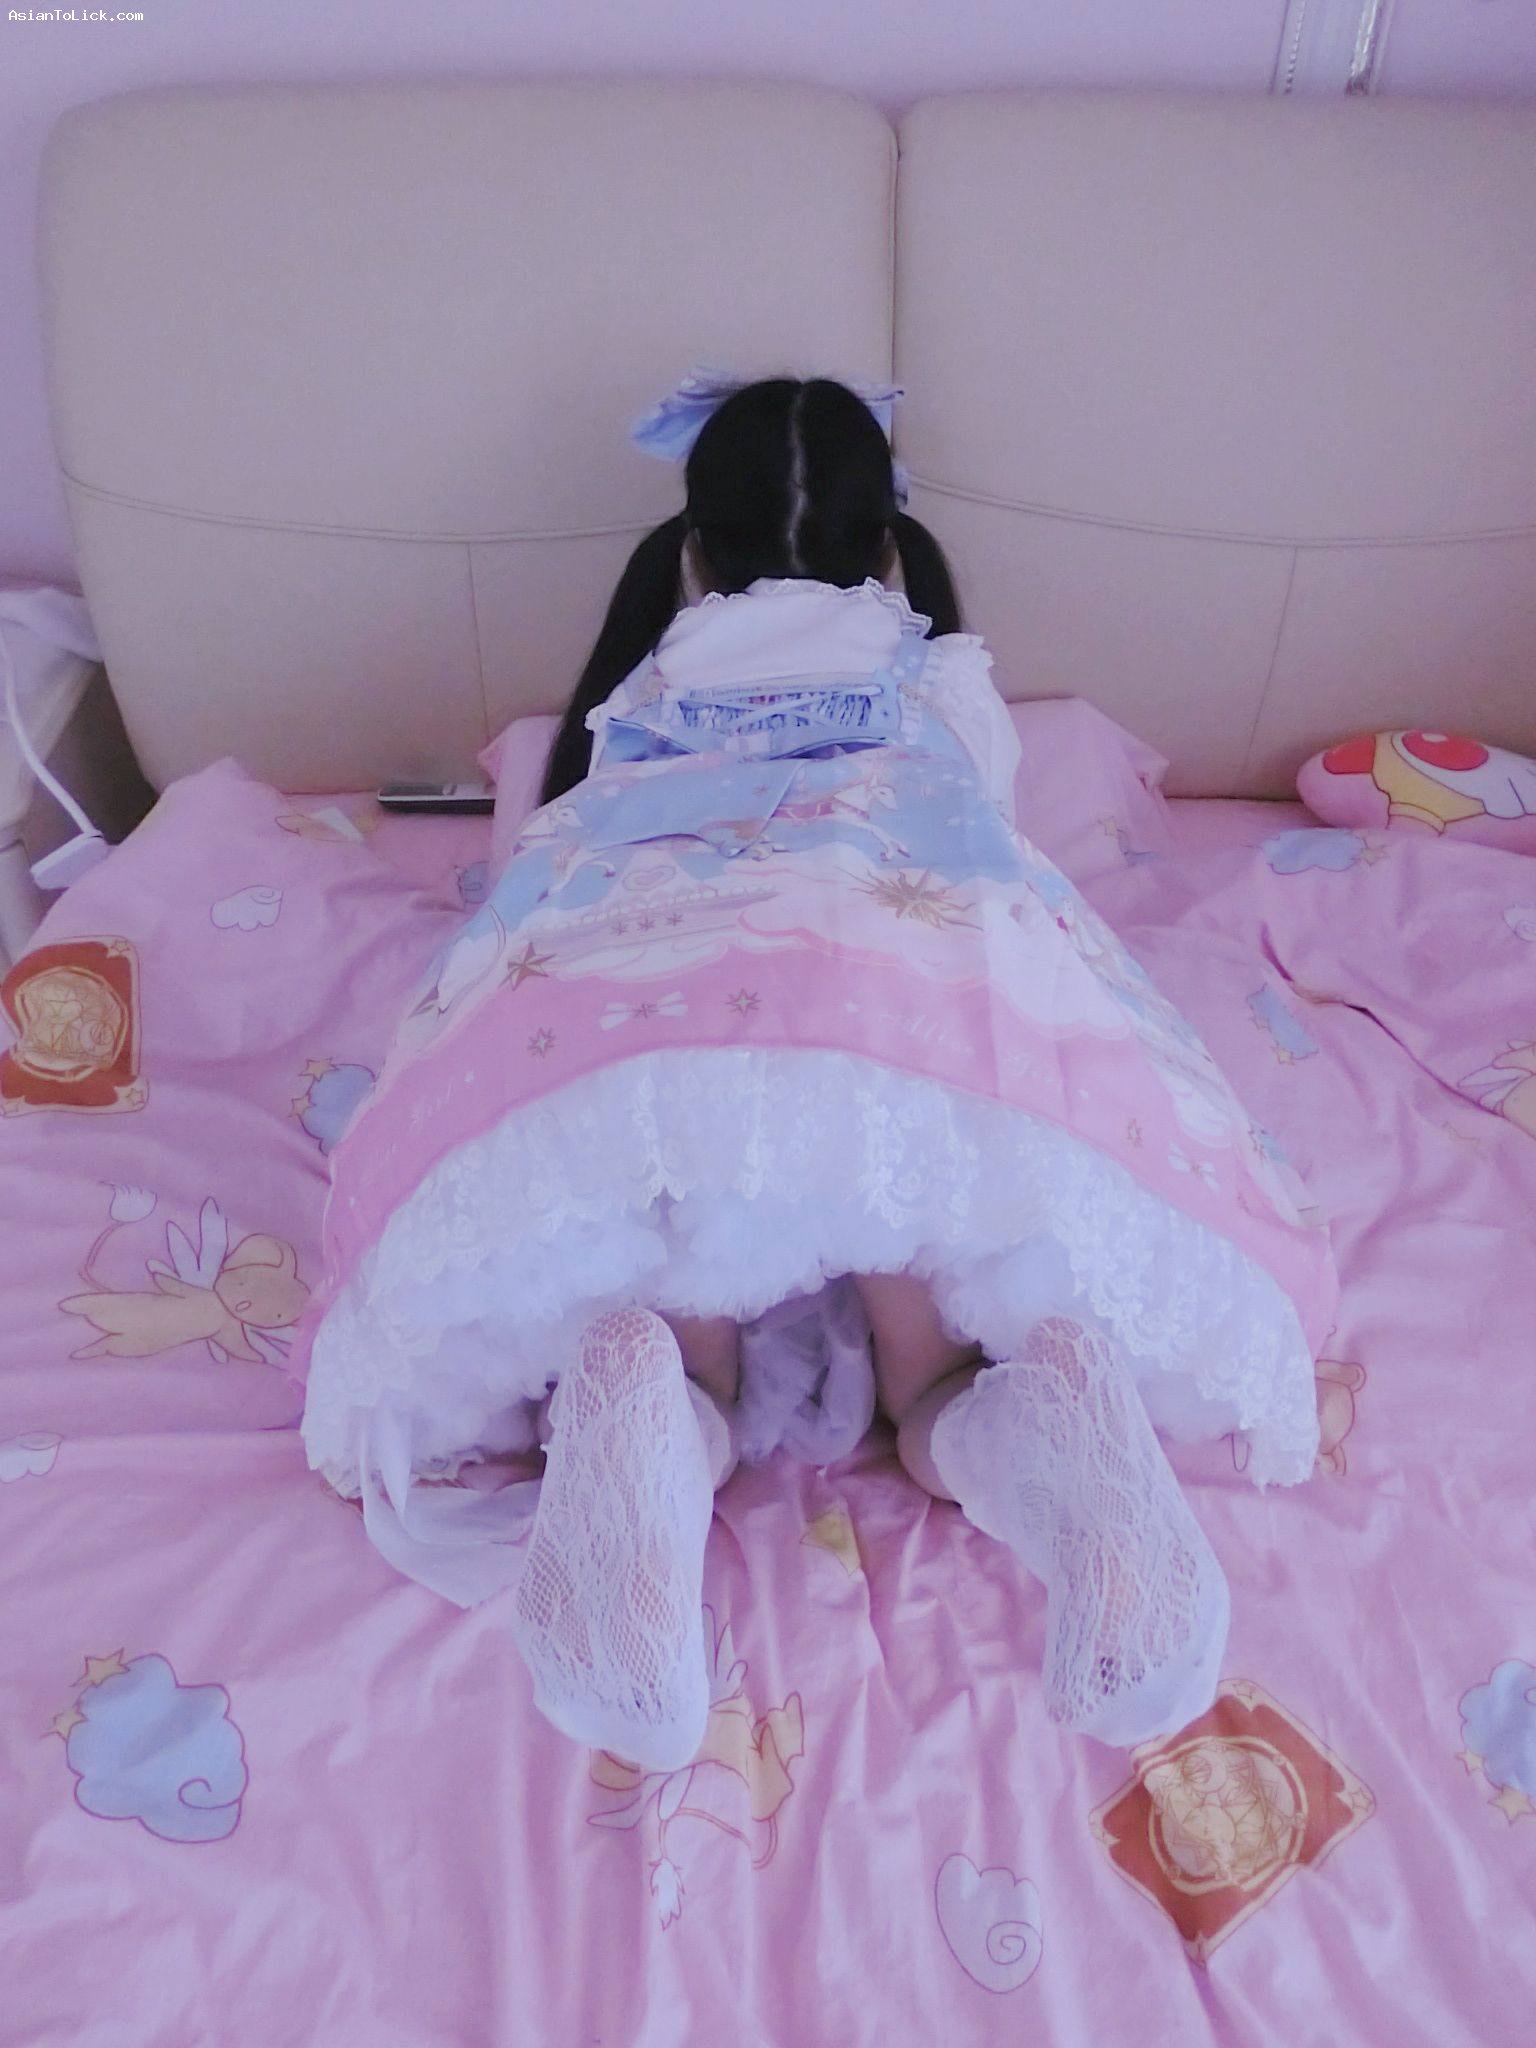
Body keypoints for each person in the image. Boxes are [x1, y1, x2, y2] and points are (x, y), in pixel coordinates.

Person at [298, 373, 1336, 1774]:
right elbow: (986, 832)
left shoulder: (637, 692)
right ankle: (1048, 1423)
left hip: (647, 1033)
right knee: (932, 1364)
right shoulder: (938, 676)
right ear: (889, 554)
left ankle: (646, 1397)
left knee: (677, 1309)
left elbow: (536, 863)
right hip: (896, 1026)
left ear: (689, 556)